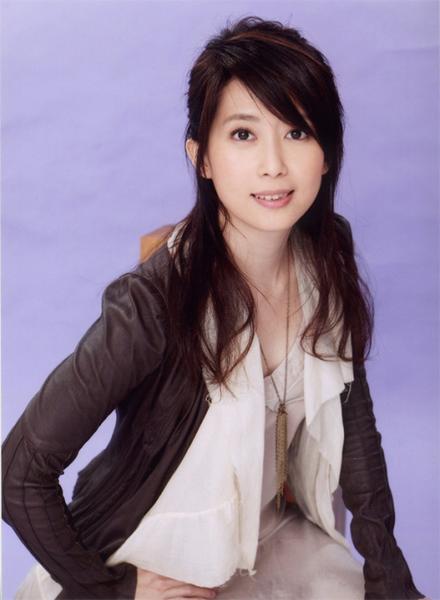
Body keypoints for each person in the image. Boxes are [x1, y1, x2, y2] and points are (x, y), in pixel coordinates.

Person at [2, 15, 427, 600]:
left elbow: (357, 434)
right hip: (160, 551)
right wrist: (113, 589)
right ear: (201, 157)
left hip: (271, 535)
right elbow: (19, 473)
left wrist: (389, 579)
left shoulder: (328, 255)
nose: (274, 165)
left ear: (327, 153)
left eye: (297, 132)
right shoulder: (153, 303)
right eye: (244, 134)